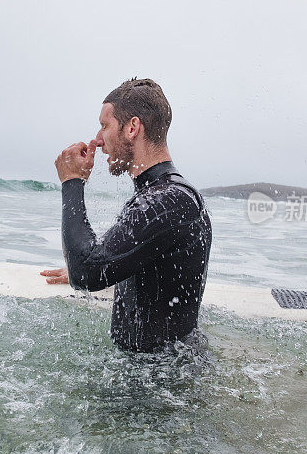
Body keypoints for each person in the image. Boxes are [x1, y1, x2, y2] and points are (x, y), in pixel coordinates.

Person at [40, 78, 212, 352]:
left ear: (132, 127)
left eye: (104, 125)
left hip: (157, 383)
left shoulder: (166, 201)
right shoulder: (166, 196)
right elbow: (142, 265)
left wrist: (72, 181)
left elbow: (86, 274)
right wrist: (109, 266)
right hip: (158, 372)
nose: (97, 139)